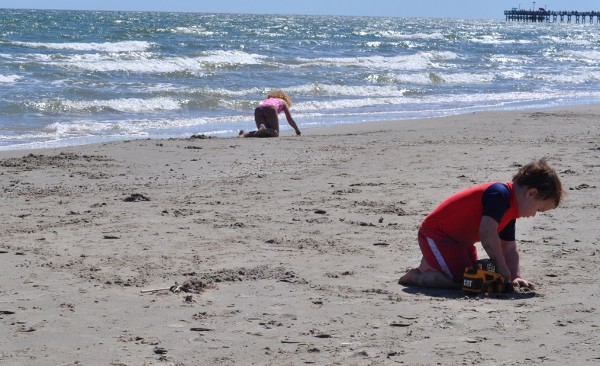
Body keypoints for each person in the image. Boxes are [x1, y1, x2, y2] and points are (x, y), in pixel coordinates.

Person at [398, 158, 564, 290]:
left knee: (474, 275)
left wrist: (514, 276)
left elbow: (509, 249)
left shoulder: (510, 212)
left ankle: (433, 262)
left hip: (461, 243)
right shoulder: (500, 195)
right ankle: (417, 276)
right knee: (461, 281)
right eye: (539, 210)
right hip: (437, 235)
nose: (534, 215)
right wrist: (500, 265)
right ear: (531, 194)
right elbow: (487, 233)